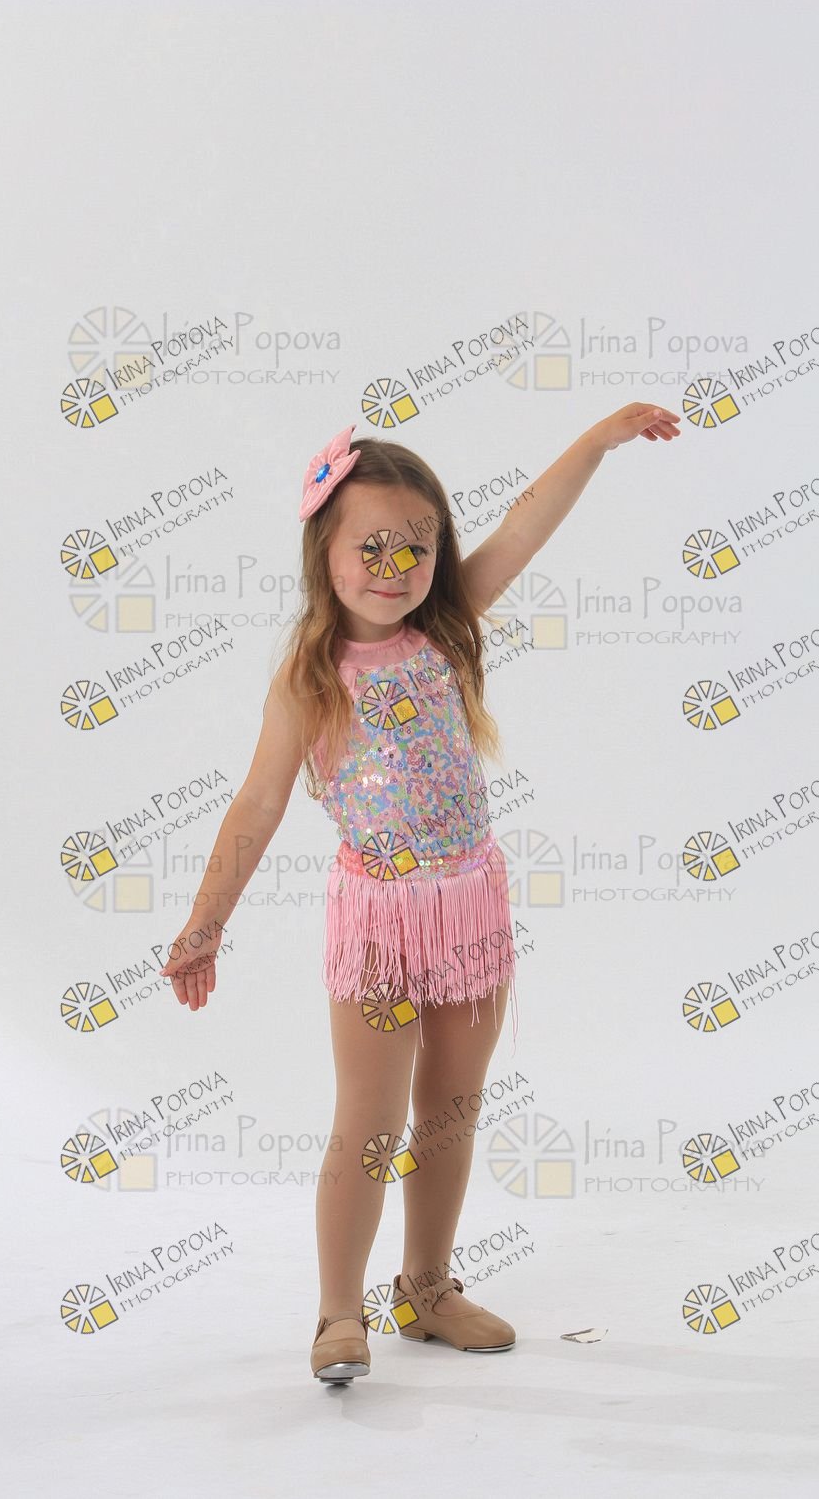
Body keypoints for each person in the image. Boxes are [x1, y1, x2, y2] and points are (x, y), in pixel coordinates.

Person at [160, 403, 680, 1383]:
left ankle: (427, 1288)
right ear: (323, 552)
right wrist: (205, 922)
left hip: (470, 905)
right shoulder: (311, 679)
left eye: (418, 546)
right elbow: (257, 804)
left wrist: (597, 441)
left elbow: (523, 524)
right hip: (379, 922)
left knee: (450, 1108)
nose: (394, 566)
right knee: (370, 1120)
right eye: (371, 547)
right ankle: (336, 1312)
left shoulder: (447, 629)